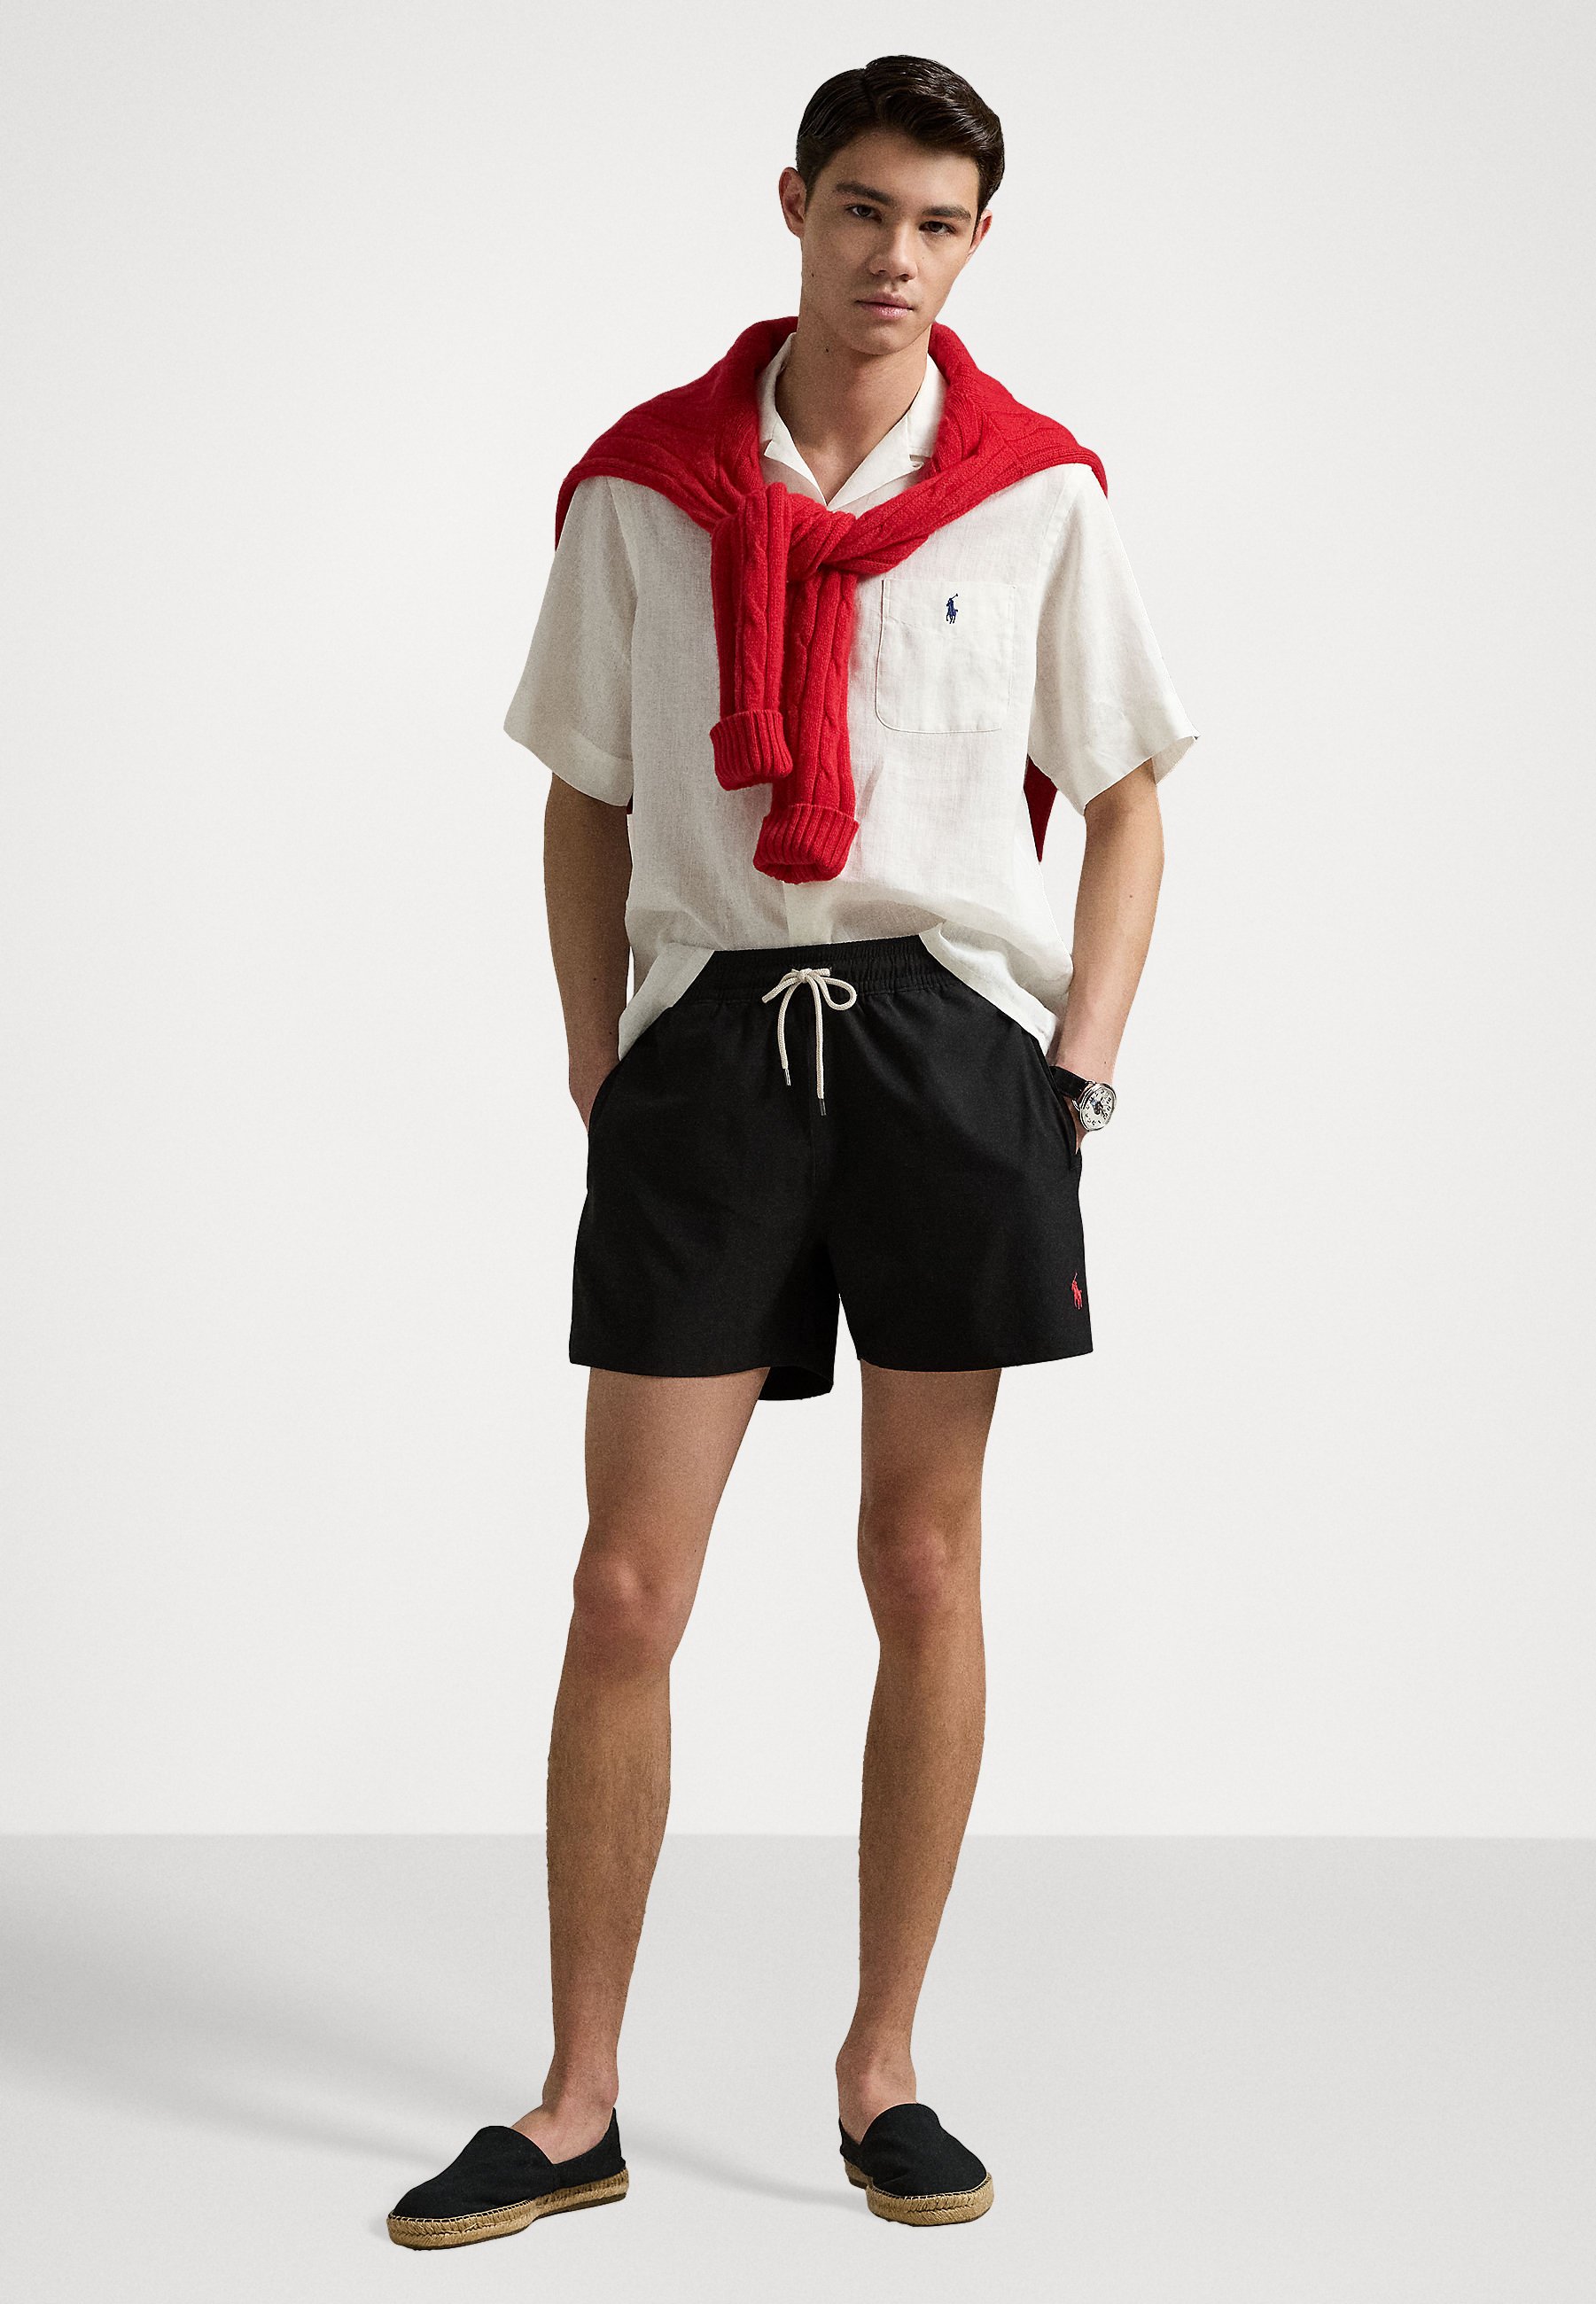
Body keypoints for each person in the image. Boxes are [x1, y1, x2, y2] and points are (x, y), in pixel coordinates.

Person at [386, 52, 1197, 2252]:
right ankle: (576, 2103)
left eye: (937, 225)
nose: (894, 258)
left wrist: (1074, 1072)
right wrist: (602, 1057)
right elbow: (582, 794)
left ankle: (880, 2071)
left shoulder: (1038, 495)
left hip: (948, 1053)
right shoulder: (641, 491)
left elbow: (1127, 800)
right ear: (793, 205)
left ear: (977, 243)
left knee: (920, 1563)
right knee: (623, 1586)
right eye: (862, 210)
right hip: (711, 1051)